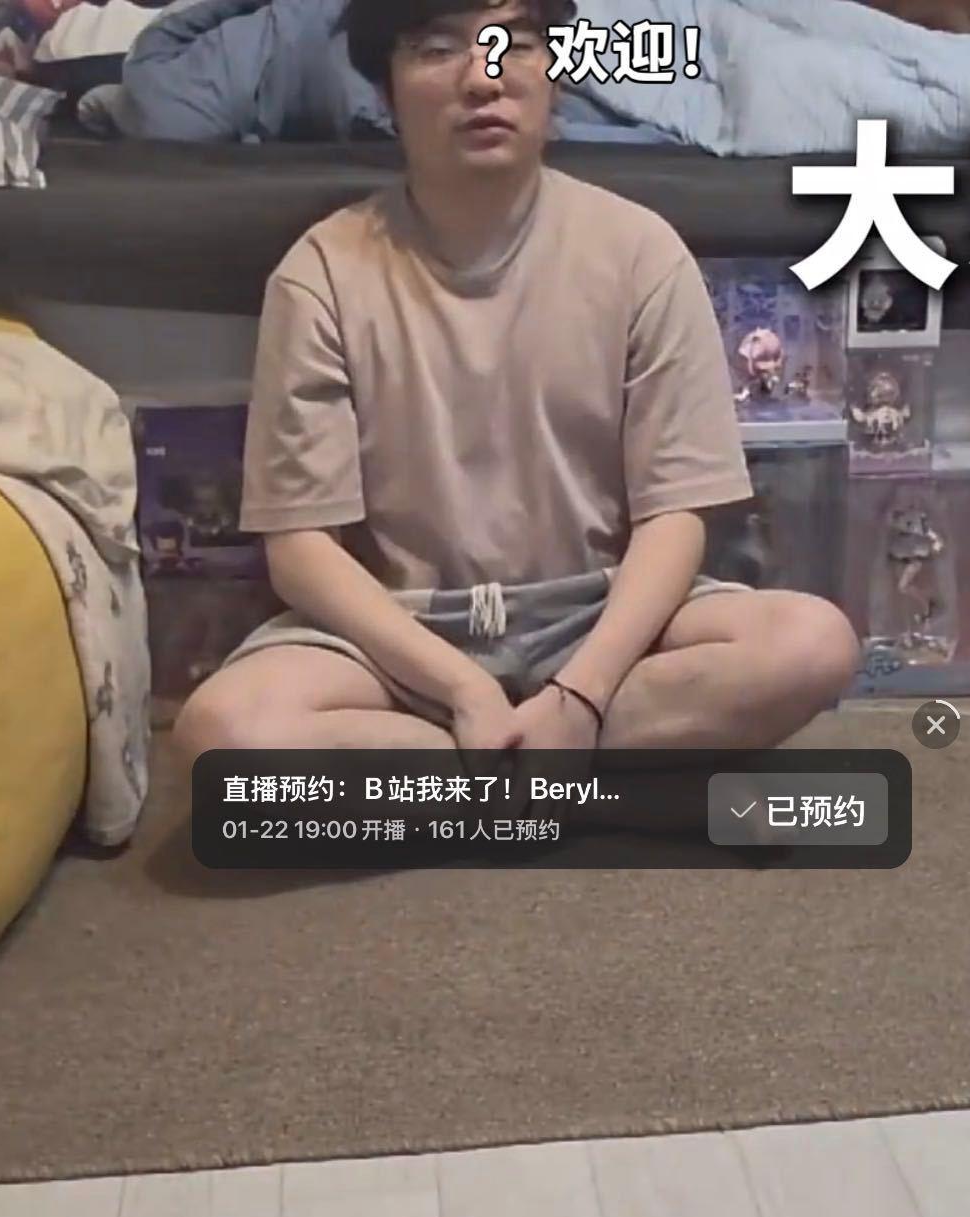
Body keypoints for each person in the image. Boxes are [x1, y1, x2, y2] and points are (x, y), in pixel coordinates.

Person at [168, 0, 861, 795]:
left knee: (810, 644)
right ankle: (584, 788)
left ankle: (498, 774)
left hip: (600, 617)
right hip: (403, 632)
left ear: (555, 76)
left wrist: (581, 694)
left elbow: (677, 515)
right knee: (223, 735)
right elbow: (301, 550)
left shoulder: (640, 251)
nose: (483, 79)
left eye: (514, 46)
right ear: (386, 89)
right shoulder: (321, 273)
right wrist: (461, 686)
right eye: (438, 50)